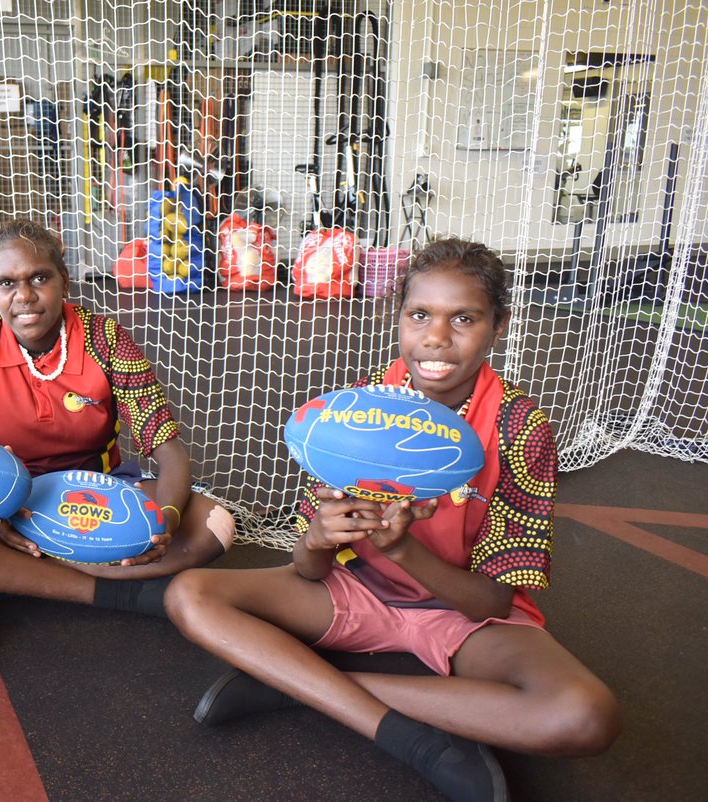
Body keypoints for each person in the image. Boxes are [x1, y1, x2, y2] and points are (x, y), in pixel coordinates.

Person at [164, 238, 621, 802]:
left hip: (459, 615)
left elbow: (490, 603)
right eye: (420, 315)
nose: (436, 337)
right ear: (398, 317)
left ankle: (303, 687)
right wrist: (317, 539)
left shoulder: (519, 427)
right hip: (355, 590)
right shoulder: (357, 411)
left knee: (586, 716)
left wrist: (403, 549)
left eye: (464, 319)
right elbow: (308, 570)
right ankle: (409, 736)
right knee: (190, 595)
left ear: (498, 326)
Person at [0, 218, 235, 626]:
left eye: (39, 278)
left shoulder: (104, 338)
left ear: (64, 281)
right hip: (6, 503)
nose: (24, 296)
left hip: (98, 497)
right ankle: (112, 591)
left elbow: (167, 447)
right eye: (7, 283)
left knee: (212, 524)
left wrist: (165, 527)